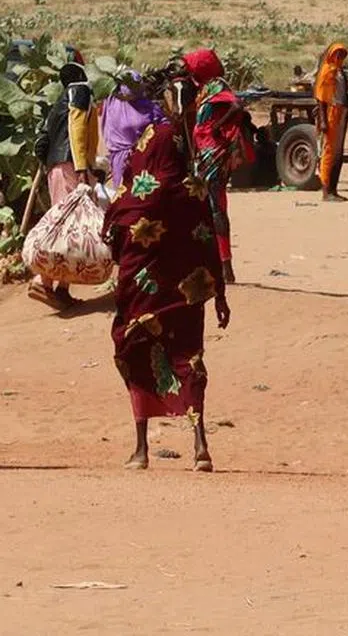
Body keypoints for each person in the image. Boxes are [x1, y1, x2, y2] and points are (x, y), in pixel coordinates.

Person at [101, 117, 230, 471]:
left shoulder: (133, 196)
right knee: (188, 357)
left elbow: (113, 244)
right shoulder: (194, 190)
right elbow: (209, 243)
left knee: (137, 354)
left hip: (141, 298)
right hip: (184, 296)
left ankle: (141, 449)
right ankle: (200, 444)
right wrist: (219, 294)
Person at [28, 63, 99, 311]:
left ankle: (62, 288)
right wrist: (82, 168)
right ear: (81, 75)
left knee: (67, 226)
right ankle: (43, 281)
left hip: (56, 166)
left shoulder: (60, 100)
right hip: (70, 164)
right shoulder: (80, 91)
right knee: (67, 227)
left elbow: (45, 137)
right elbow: (77, 128)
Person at [194, 79, 254, 283]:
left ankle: (225, 266)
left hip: (213, 158)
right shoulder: (209, 97)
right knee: (214, 209)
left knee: (214, 210)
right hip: (210, 156)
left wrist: (217, 125)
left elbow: (236, 107)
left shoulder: (216, 96)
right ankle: (221, 264)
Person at [101, 72, 167, 191]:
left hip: (145, 158)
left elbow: (164, 128)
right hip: (121, 161)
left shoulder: (150, 107)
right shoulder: (111, 102)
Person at [313, 43, 348, 202]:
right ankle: (326, 190)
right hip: (330, 113)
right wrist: (323, 120)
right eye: (337, 54)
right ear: (331, 55)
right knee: (328, 153)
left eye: (342, 55)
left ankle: (334, 190)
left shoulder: (340, 72)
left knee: (337, 153)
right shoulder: (327, 71)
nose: (339, 58)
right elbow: (321, 99)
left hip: (340, 112)